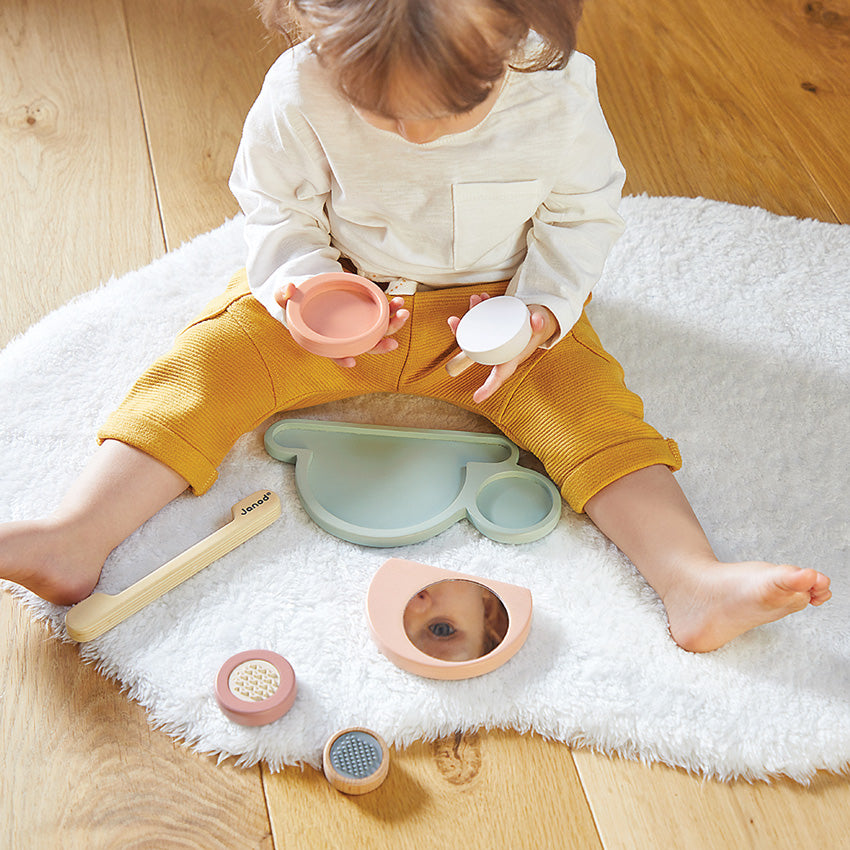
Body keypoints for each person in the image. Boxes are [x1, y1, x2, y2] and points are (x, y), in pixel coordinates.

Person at [0, 0, 830, 652]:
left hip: (496, 310)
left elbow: (582, 217)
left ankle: (690, 579)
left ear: (516, 37)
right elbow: (275, 209)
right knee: (210, 362)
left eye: (450, 111)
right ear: (321, 41)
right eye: (382, 113)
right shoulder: (300, 89)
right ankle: (78, 536)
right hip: (344, 295)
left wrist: (542, 311)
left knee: (592, 407)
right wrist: (303, 290)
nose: (416, 136)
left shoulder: (559, 96)